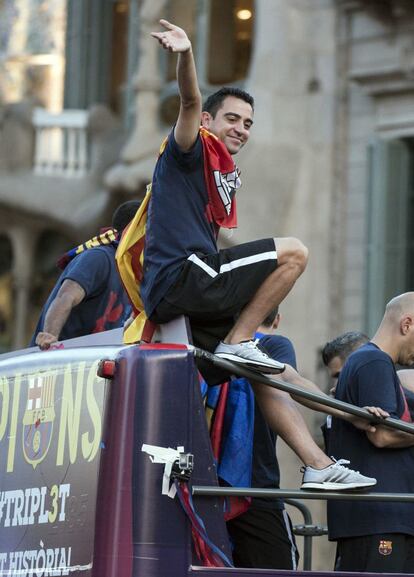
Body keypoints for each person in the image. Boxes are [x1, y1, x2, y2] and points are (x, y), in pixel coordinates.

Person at [124, 18, 383, 491]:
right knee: (294, 253)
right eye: (232, 120)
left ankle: (318, 465)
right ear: (207, 123)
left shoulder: (220, 176)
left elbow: (286, 375)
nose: (241, 130)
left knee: (270, 369)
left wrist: (355, 415)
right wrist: (185, 55)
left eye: (248, 124)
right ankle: (238, 340)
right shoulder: (187, 150)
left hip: (190, 293)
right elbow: (189, 100)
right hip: (184, 277)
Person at [327, 293, 414, 573]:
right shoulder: (374, 362)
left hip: (382, 517)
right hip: (379, 517)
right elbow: (382, 436)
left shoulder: (372, 362)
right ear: (407, 324)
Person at [225, 308, 299, 570]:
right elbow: (291, 381)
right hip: (256, 484)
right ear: (277, 319)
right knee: (277, 566)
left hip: (213, 477)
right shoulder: (274, 343)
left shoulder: (217, 342)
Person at [31, 200, 140, 350]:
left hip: (90, 365)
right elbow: (66, 297)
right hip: (56, 363)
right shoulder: (99, 258)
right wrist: (49, 336)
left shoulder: (134, 273)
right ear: (132, 230)